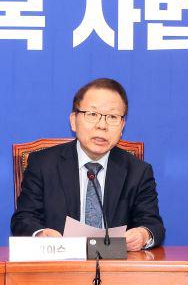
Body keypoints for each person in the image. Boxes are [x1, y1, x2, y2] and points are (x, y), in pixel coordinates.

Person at [11, 78, 165, 251]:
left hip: (116, 264)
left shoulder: (138, 171)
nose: (102, 125)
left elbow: (153, 225)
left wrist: (143, 235)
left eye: (112, 117)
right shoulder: (43, 164)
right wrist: (40, 234)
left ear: (122, 126)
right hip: (59, 262)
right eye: (92, 114)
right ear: (73, 121)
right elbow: (23, 219)